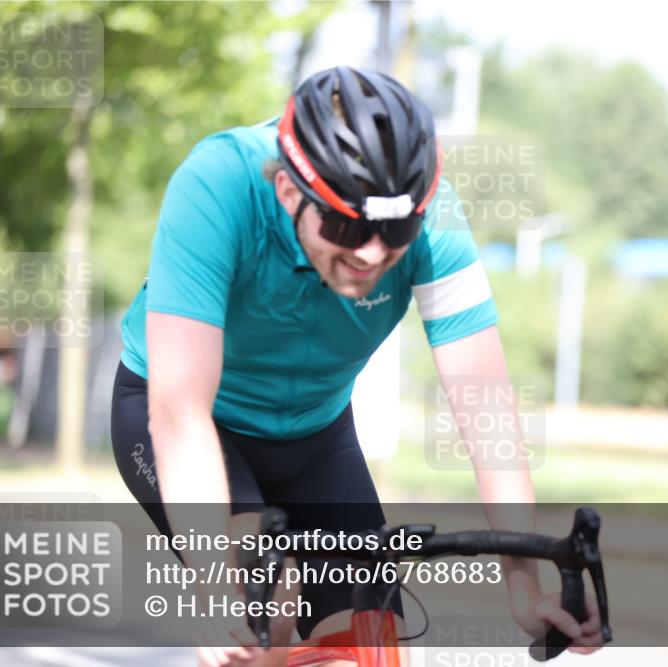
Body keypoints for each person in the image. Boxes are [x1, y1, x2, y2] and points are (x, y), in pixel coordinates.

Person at [111, 65, 603, 666]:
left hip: (316, 436)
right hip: (193, 423)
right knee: (269, 597)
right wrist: (214, 583)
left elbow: (485, 405)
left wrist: (523, 585)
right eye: (346, 223)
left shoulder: (435, 218)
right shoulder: (218, 185)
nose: (371, 250)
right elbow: (180, 410)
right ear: (291, 192)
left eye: (394, 227)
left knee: (371, 636)